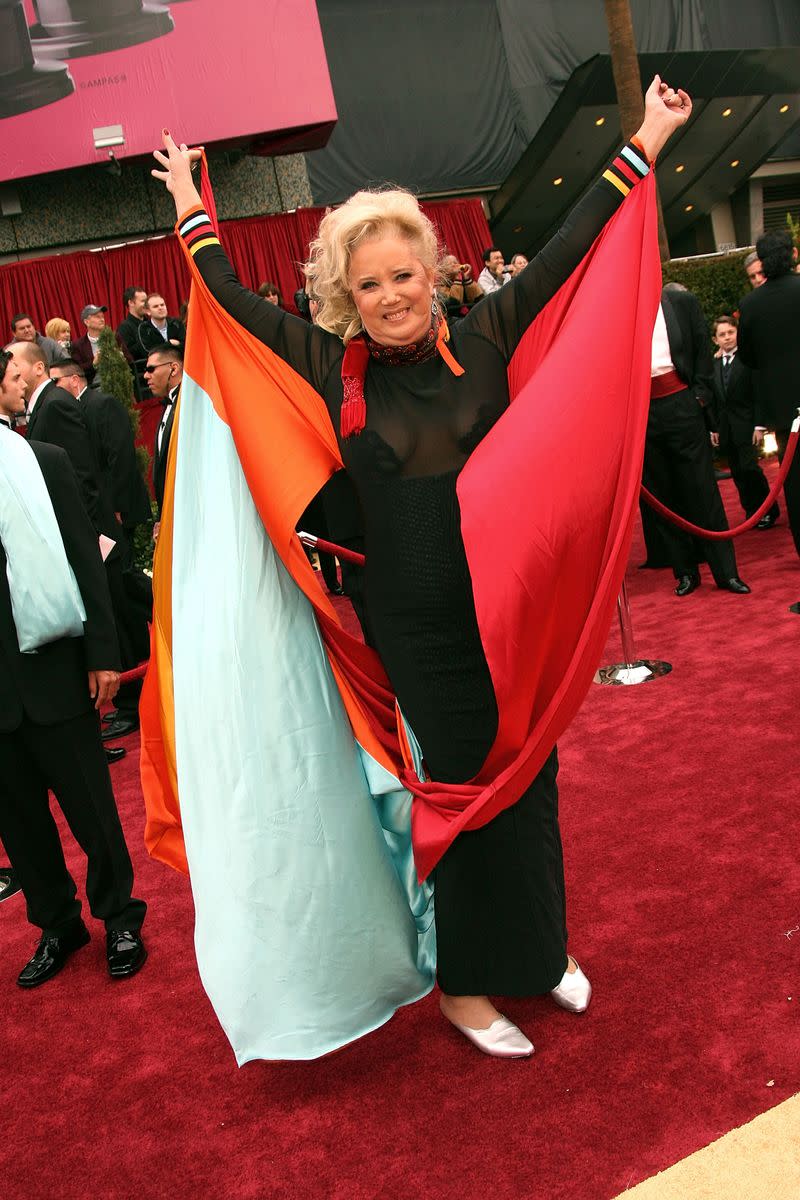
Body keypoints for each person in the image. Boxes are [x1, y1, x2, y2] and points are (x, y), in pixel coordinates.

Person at [154, 75, 691, 1058]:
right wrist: (192, 214)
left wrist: (647, 137)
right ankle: (463, 988)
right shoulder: (328, 367)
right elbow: (228, 306)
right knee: (464, 799)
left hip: (511, 612)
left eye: (404, 275)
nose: (392, 296)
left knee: (531, 777)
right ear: (343, 298)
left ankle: (535, 954)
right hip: (419, 634)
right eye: (369, 285)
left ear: (432, 273)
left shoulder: (485, 334)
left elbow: (573, 244)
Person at [0, 349, 147, 986]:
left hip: (56, 668)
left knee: (91, 807)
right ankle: (57, 924)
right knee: (20, 825)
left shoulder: (41, 463)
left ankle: (119, 915)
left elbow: (86, 561)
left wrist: (103, 655)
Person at [642, 285, 750, 597]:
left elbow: (703, 350)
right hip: (644, 413)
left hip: (682, 403)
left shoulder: (681, 302)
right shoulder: (618, 313)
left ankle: (726, 573)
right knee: (665, 496)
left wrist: (700, 397)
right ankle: (685, 572)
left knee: (702, 490)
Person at [738, 229, 800, 562]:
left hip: (784, 413)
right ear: (791, 254)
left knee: (797, 490)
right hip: (786, 412)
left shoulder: (750, 305)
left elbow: (748, 358)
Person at [710, 315, 778, 528]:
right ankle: (751, 511)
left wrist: (759, 425)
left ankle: (767, 510)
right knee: (738, 472)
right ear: (715, 339)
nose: (727, 338)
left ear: (737, 333)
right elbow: (714, 399)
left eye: (731, 332)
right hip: (726, 428)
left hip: (748, 425)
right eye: (722, 334)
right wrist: (714, 428)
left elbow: (758, 393)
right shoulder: (713, 365)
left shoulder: (747, 360)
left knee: (751, 469)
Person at [145, 345, 183, 531]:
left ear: (173, 369)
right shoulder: (168, 406)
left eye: (151, 369)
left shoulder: (189, 405)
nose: (146, 376)